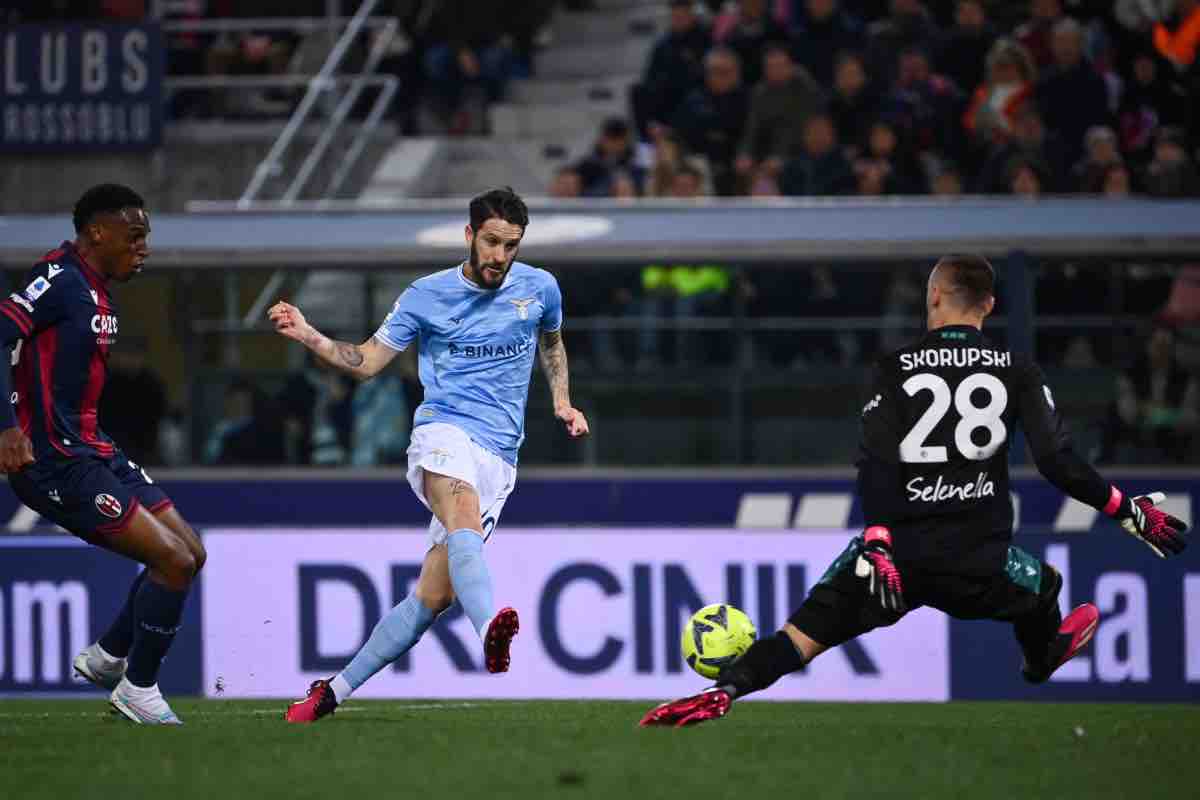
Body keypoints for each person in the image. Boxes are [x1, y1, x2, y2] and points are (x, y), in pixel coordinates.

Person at [641, 254, 1189, 727]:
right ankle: (1040, 659)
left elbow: (876, 463)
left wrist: (878, 542)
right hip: (978, 562)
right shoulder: (1015, 369)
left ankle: (723, 691)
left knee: (798, 637)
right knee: (1044, 587)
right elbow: (1057, 461)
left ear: (932, 298)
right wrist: (1125, 509)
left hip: (892, 562)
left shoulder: (895, 369)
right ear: (989, 305)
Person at [272, 188, 589, 723]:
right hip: (443, 432)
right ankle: (490, 628)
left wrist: (562, 400)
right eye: (491, 242)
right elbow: (368, 361)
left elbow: (552, 343)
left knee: (431, 599)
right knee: (460, 510)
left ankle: (332, 692)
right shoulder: (426, 296)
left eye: (511, 245)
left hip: (501, 456)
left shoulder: (540, 288)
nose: (499, 256)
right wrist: (308, 334)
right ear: (469, 236)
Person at [0, 184, 205, 725]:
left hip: (95, 448)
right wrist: (6, 428)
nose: (143, 248)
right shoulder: (61, 281)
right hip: (55, 463)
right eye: (134, 236)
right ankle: (138, 688)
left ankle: (108, 656)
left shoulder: (93, 287)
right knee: (174, 562)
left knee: (191, 553)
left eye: (146, 238)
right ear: (97, 232)